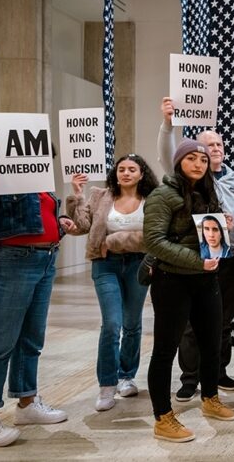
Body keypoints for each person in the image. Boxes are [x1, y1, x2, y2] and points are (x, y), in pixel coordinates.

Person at [0, 152, 73, 447]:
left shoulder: (42, 183)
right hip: (11, 262)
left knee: (31, 338)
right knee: (1, 342)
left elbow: (38, 222)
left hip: (45, 259)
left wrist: (60, 224)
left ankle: (26, 402)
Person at [144, 139, 234, 442]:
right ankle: (162, 417)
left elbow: (208, 233)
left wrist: (225, 225)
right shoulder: (163, 194)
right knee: (165, 350)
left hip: (205, 280)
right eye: (192, 158)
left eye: (203, 159)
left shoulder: (207, 192)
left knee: (211, 343)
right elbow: (155, 241)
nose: (198, 164)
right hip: (172, 281)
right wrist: (198, 261)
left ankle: (210, 398)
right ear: (179, 161)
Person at [158, 97, 234, 399]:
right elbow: (166, 153)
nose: (215, 150)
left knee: (223, 319)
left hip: (232, 259)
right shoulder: (191, 180)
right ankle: (189, 377)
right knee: (189, 322)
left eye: (219, 145)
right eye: (209, 146)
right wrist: (168, 124)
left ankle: (218, 371)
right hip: (196, 258)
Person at [66, 154, 159, 412]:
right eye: (121, 169)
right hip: (105, 265)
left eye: (132, 169)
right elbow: (84, 225)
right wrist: (77, 195)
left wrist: (115, 240)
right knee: (112, 324)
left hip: (139, 265)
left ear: (142, 174)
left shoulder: (151, 199)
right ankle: (107, 384)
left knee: (132, 323)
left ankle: (126, 376)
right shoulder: (101, 195)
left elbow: (152, 237)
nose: (126, 173)